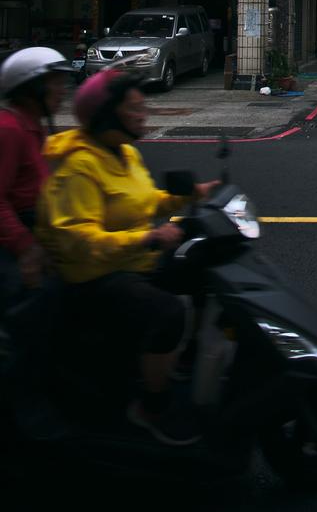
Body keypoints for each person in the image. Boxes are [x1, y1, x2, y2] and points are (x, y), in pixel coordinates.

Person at [40, 70, 218, 447]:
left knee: (206, 262)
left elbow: (146, 198)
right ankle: (152, 407)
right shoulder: (80, 167)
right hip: (95, 278)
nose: (144, 114)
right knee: (168, 312)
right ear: (107, 114)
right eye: (134, 108)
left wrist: (191, 196)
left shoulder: (126, 153)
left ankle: (182, 361)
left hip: (134, 261)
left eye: (144, 106)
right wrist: (149, 237)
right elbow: (79, 240)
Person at [0, 47, 72, 314]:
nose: (63, 91)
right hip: (12, 242)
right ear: (33, 88)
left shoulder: (33, 128)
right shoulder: (9, 130)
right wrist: (26, 248)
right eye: (55, 83)